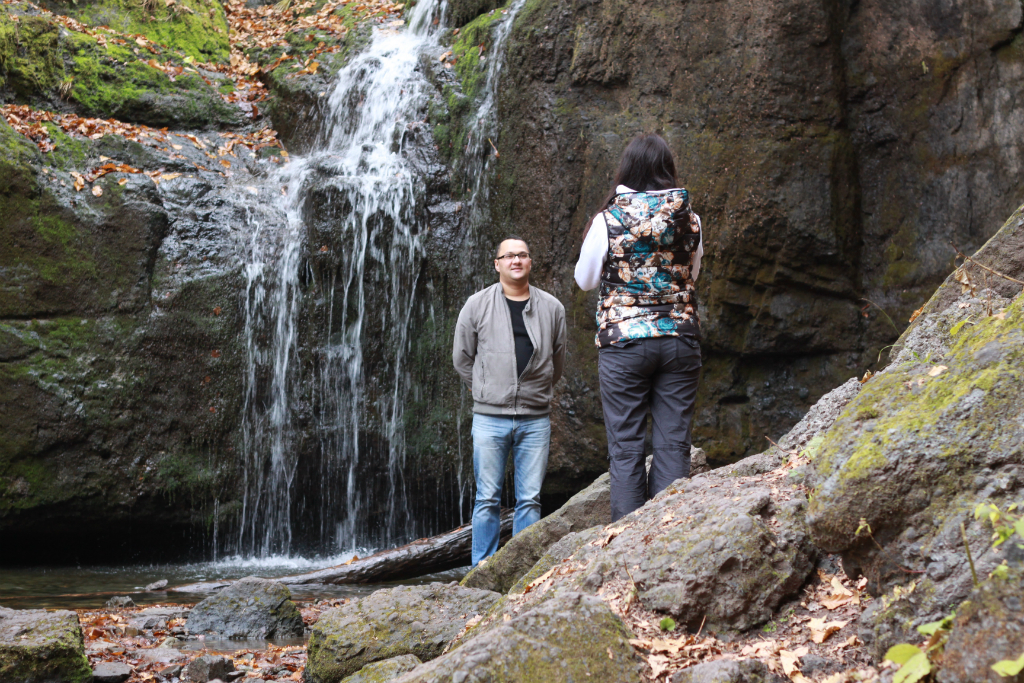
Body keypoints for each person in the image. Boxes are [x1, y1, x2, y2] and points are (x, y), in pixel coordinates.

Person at [573, 133, 704, 522]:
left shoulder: (607, 220)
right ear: (668, 167)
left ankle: (628, 548)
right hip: (680, 339)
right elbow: (692, 274)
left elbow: (584, 280)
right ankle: (666, 537)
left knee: (627, 446)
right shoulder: (690, 218)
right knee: (673, 441)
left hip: (625, 343)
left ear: (627, 168)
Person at [453, 236, 567, 565]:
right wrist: (483, 387)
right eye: (509, 256)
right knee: (487, 498)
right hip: (490, 418)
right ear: (497, 264)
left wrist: (537, 389)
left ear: (530, 262)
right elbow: (461, 357)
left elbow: (557, 362)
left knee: (529, 500)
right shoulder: (476, 305)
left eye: (523, 255)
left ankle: (522, 573)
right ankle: (482, 570)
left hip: (535, 418)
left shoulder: (552, 308)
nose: (516, 260)